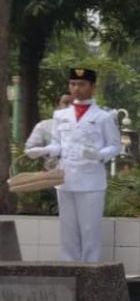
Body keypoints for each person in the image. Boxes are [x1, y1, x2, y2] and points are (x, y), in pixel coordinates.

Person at [27, 68, 121, 261]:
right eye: (73, 84)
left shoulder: (103, 117)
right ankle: (69, 268)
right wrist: (44, 150)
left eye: (81, 84)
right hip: (65, 178)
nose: (76, 88)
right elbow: (58, 144)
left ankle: (90, 270)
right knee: (67, 229)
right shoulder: (61, 115)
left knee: (89, 229)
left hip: (91, 180)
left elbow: (115, 146)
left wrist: (97, 155)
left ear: (92, 87)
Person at [24, 94, 72, 168]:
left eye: (74, 104)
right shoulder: (44, 126)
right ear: (58, 106)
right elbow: (29, 150)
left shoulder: (89, 126)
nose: (70, 106)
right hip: (54, 175)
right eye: (66, 102)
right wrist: (47, 151)